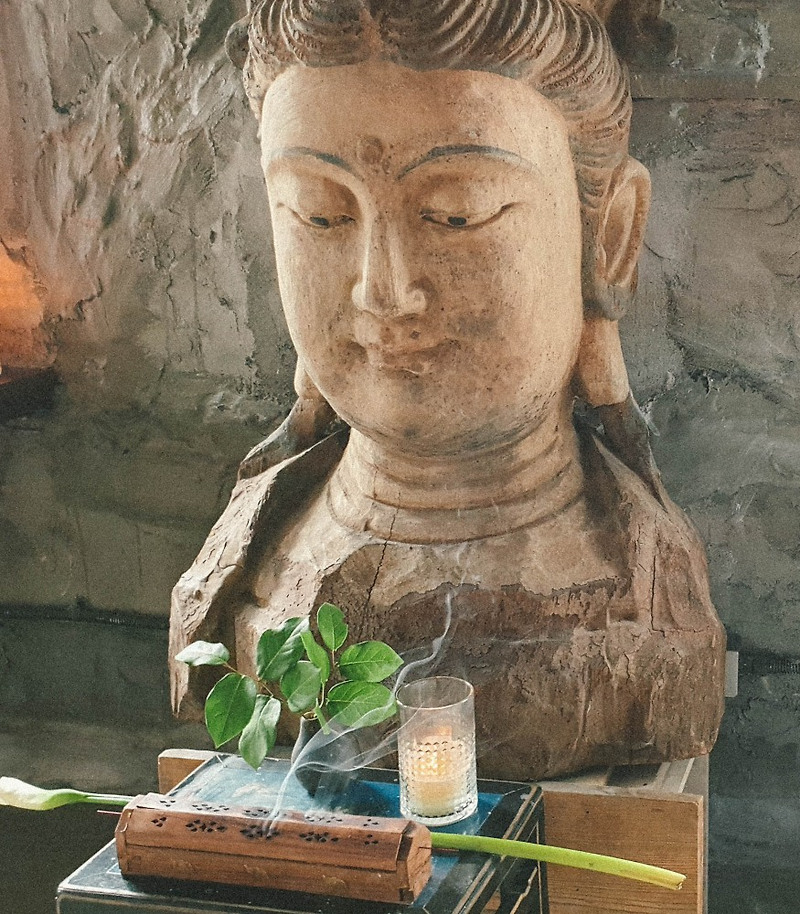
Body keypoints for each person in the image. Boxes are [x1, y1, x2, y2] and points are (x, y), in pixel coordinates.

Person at [170, 0, 724, 779]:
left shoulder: (643, 597)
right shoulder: (247, 566)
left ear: (609, 238)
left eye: (457, 216)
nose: (382, 290)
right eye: (320, 216)